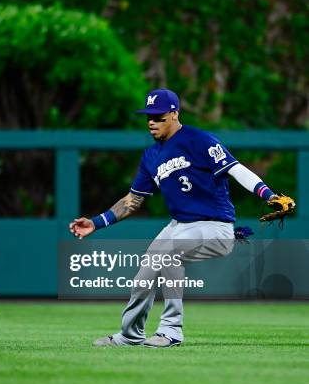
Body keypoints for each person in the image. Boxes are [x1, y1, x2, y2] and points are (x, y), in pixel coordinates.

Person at [69, 88, 286, 348]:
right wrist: (96, 222)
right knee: (143, 276)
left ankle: (171, 331)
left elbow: (236, 169)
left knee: (169, 253)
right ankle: (130, 335)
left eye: (158, 116)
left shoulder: (199, 140)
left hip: (215, 227)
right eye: (148, 116)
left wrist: (267, 194)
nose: (151, 121)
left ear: (174, 114)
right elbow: (132, 201)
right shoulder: (151, 155)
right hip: (178, 226)